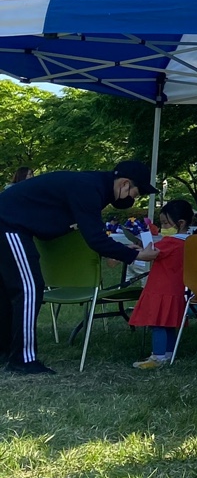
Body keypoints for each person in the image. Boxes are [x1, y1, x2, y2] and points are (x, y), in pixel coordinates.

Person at [0, 160, 160, 374]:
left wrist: (121, 249)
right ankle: (22, 360)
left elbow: (91, 232)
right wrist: (137, 255)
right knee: (28, 289)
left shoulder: (92, 185)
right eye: (135, 193)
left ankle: (5, 352)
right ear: (124, 183)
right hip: (8, 223)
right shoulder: (89, 189)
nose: (134, 199)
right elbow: (95, 239)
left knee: (7, 292)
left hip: (8, 220)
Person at [128, 199, 197, 369]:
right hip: (176, 290)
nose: (163, 227)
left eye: (166, 223)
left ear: (180, 223)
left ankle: (157, 357)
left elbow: (151, 253)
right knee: (169, 324)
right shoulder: (190, 242)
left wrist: (136, 250)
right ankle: (168, 354)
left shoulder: (170, 242)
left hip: (160, 290)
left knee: (157, 323)